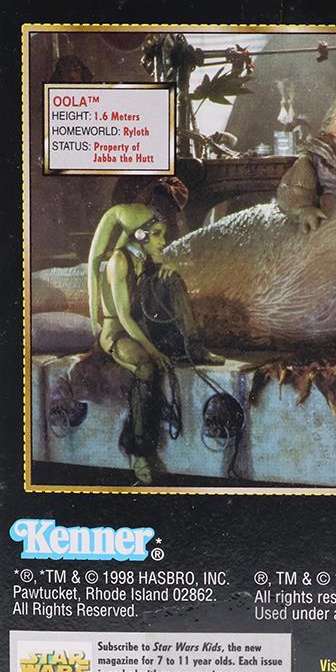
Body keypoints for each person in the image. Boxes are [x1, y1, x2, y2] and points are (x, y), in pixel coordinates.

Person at [86, 203, 218, 483]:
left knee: (173, 279)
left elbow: (157, 289)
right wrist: (154, 351)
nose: (162, 240)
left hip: (142, 328)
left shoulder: (144, 258)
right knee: (146, 367)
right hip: (118, 333)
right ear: (140, 235)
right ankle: (139, 451)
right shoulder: (119, 261)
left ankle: (195, 346)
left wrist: (168, 269)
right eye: (156, 234)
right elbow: (124, 317)